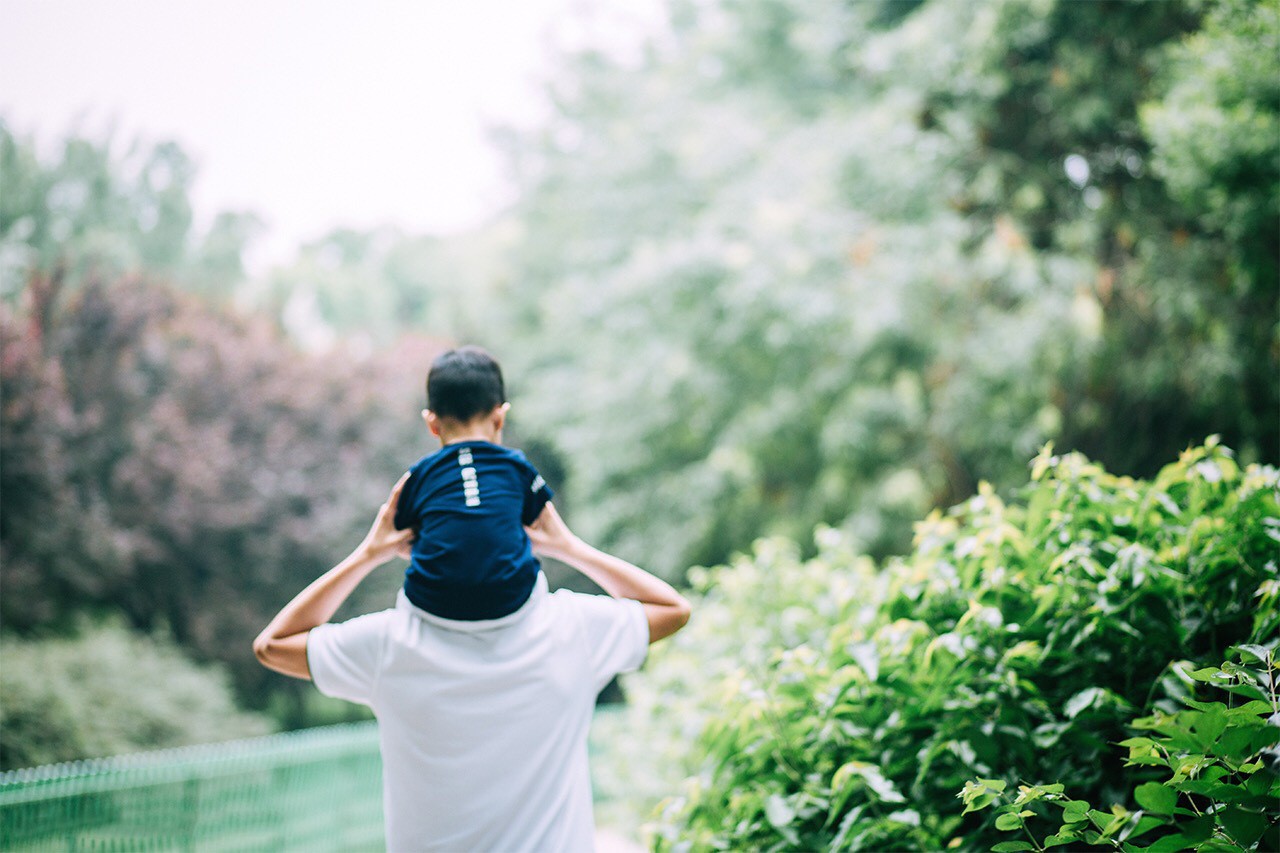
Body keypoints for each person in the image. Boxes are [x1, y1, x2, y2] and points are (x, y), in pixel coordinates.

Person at [253, 470, 691, 852]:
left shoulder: (389, 645)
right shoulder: (571, 628)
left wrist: (369, 553)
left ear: (416, 545)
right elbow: (671, 610)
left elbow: (274, 644)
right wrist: (568, 547)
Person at [392, 346, 554, 621]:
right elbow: (537, 522)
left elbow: (403, 533)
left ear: (432, 423)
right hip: (512, 599)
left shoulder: (419, 476)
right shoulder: (517, 467)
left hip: (432, 603)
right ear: (499, 417)